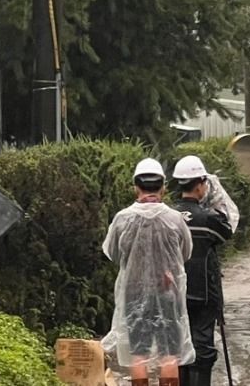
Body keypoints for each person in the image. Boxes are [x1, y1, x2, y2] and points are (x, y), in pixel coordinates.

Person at [102, 158, 195, 386]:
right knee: (169, 354)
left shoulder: (122, 219)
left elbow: (113, 253)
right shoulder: (175, 219)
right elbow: (186, 254)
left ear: (136, 186)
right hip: (168, 293)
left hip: (134, 294)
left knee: (139, 354)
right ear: (163, 186)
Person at [171, 155, 234, 386]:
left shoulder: (168, 216)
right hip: (204, 293)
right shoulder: (208, 218)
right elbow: (227, 229)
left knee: (178, 347)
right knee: (203, 348)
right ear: (200, 185)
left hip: (174, 293)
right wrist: (216, 199)